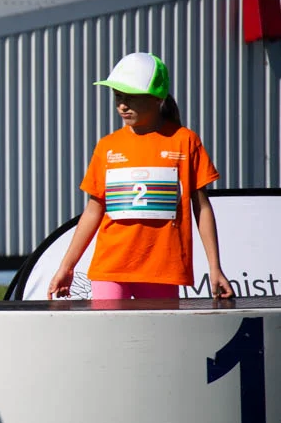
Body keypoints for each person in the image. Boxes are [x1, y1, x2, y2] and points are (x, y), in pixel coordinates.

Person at [48, 52, 234, 301]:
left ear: (157, 98)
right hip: (110, 267)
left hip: (163, 271)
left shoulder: (185, 141)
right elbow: (93, 210)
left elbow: (202, 207)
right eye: (118, 96)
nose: (122, 105)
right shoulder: (107, 146)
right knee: (109, 327)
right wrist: (66, 267)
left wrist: (215, 267)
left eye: (131, 97)